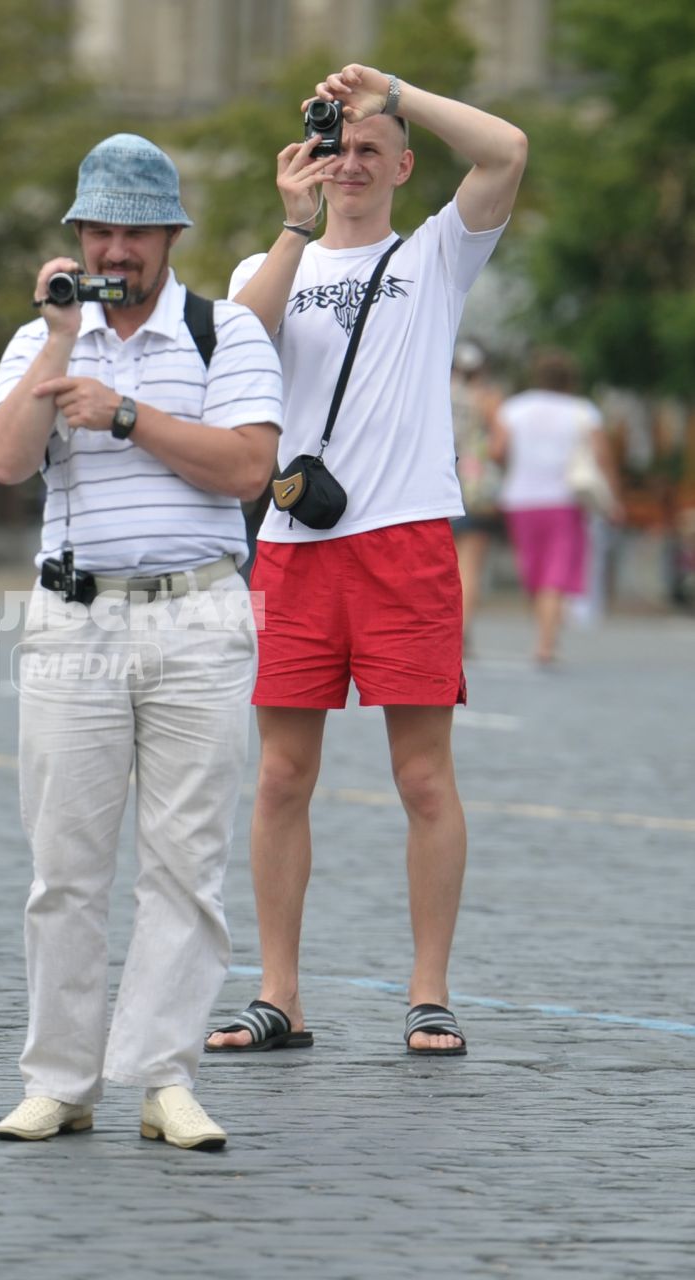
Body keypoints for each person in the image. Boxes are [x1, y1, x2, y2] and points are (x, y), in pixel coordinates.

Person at [210, 64, 527, 1058]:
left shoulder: (433, 255)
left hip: (404, 537)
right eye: (332, 147)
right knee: (277, 778)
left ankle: (426, 991)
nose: (347, 163)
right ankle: (278, 994)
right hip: (293, 547)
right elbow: (239, 339)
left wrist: (391, 90)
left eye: (365, 150)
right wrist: (291, 222)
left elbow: (507, 149)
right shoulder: (274, 260)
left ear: (398, 164)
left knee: (423, 777)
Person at [0, 134, 283, 1149]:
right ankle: (58, 1077)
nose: (115, 248)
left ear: (168, 236)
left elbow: (246, 466)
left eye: (134, 230)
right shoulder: (40, 342)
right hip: (72, 616)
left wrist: (122, 416)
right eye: (97, 228)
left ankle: (162, 1074)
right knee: (62, 862)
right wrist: (62, 343)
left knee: (184, 862)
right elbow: (2, 461)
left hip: (196, 613)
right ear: (75, 235)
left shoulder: (224, 330)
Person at [490, 348, 617, 665]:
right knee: (557, 568)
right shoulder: (583, 410)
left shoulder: (514, 408)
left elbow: (497, 451)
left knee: (533, 566)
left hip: (520, 499)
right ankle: (546, 642)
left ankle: (544, 631)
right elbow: (602, 456)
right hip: (565, 499)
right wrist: (613, 496)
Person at [450, 342, 503, 645]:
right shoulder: (487, 398)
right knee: (469, 565)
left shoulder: (438, 391)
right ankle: (461, 633)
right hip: (473, 486)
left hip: (435, 482)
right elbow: (499, 445)